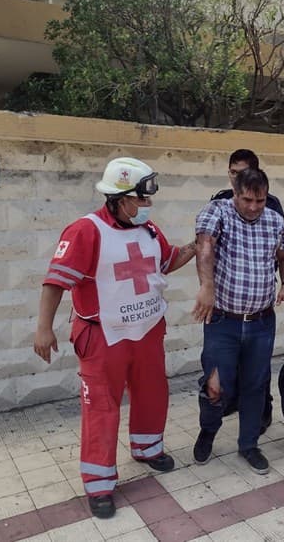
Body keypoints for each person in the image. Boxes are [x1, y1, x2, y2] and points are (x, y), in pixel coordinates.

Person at [33, 157, 196, 519]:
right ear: (119, 199)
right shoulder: (84, 231)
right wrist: (44, 327)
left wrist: (196, 246)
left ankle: (148, 447)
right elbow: (55, 281)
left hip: (147, 331)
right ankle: (99, 483)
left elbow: (167, 261)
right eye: (142, 199)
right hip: (102, 336)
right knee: (101, 408)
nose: (147, 206)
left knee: (153, 392)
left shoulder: (149, 230)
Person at [192, 167, 284, 474]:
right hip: (223, 321)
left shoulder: (275, 220)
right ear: (235, 193)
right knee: (215, 385)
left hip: (262, 323)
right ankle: (208, 432)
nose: (253, 207)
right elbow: (205, 246)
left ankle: (249, 444)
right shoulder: (218, 212)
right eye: (247, 199)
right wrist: (207, 286)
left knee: (255, 386)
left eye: (260, 200)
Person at [210, 148, 284, 433]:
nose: (236, 179)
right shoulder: (219, 203)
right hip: (227, 305)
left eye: (241, 173)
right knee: (227, 365)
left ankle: (261, 412)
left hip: (259, 302)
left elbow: (280, 249)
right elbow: (208, 246)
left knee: (258, 369)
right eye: (232, 173)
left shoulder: (271, 205)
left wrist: (279, 284)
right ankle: (232, 402)